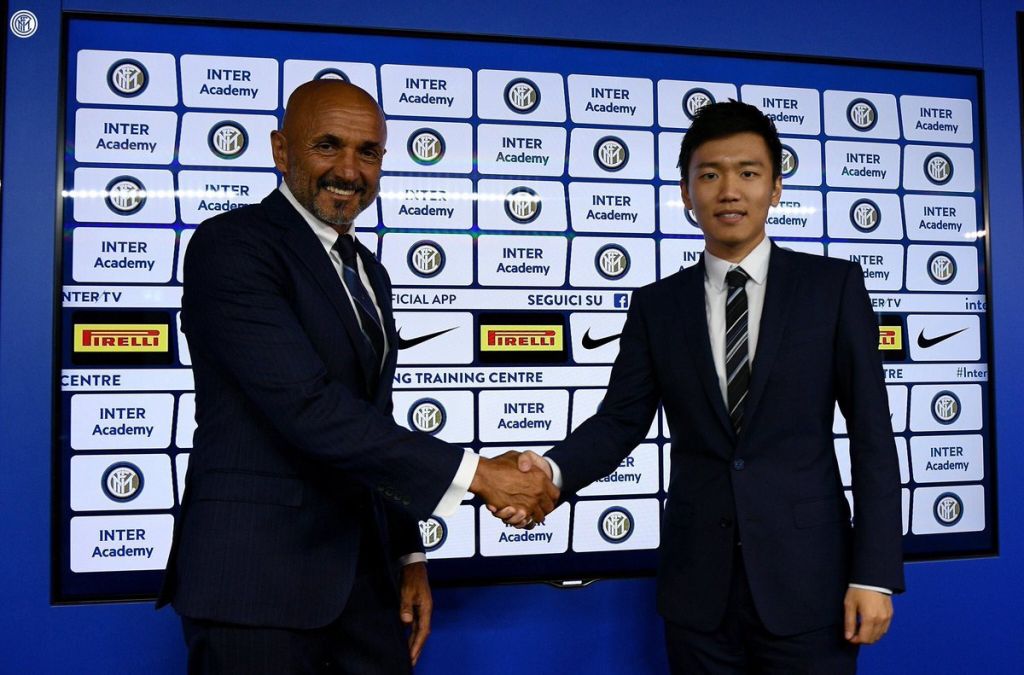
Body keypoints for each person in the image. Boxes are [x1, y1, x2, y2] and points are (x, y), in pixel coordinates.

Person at [157, 80, 558, 674]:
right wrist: (479, 475)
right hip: (254, 586)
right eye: (328, 146)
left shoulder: (368, 269)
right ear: (281, 150)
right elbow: (309, 408)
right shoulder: (232, 246)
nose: (349, 170)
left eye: (367, 152)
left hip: (363, 584)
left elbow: (372, 421)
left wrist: (408, 555)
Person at [510, 101, 904, 673]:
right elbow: (620, 421)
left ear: (775, 188)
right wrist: (550, 472)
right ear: (686, 192)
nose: (729, 191)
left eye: (749, 172)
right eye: (710, 174)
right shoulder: (657, 305)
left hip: (811, 586)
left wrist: (874, 574)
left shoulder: (832, 287)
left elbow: (873, 436)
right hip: (698, 593)